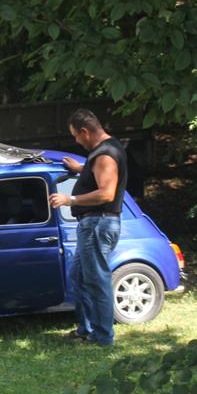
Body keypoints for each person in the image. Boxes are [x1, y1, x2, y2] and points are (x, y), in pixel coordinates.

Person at [48, 109, 127, 347]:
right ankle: (86, 329)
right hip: (92, 223)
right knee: (79, 276)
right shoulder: (103, 152)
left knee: (97, 280)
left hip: (98, 223)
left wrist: (69, 200)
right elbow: (99, 173)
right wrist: (81, 168)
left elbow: (106, 192)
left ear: (85, 131)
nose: (76, 141)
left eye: (76, 136)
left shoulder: (105, 154)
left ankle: (103, 337)